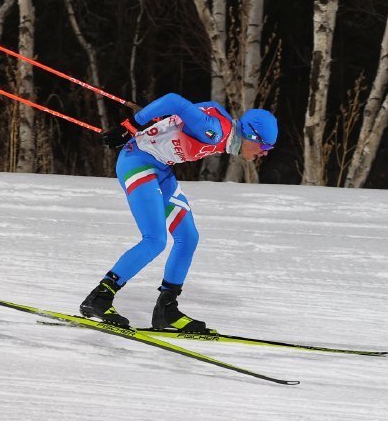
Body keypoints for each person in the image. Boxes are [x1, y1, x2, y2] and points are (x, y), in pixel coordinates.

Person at [79, 92, 278, 332]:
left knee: (188, 237)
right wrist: (131, 125)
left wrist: (162, 122)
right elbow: (174, 101)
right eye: (265, 146)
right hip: (137, 161)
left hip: (160, 168)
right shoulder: (215, 131)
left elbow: (204, 106)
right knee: (155, 240)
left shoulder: (221, 130)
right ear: (250, 136)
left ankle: (166, 309)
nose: (265, 153)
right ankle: (99, 298)